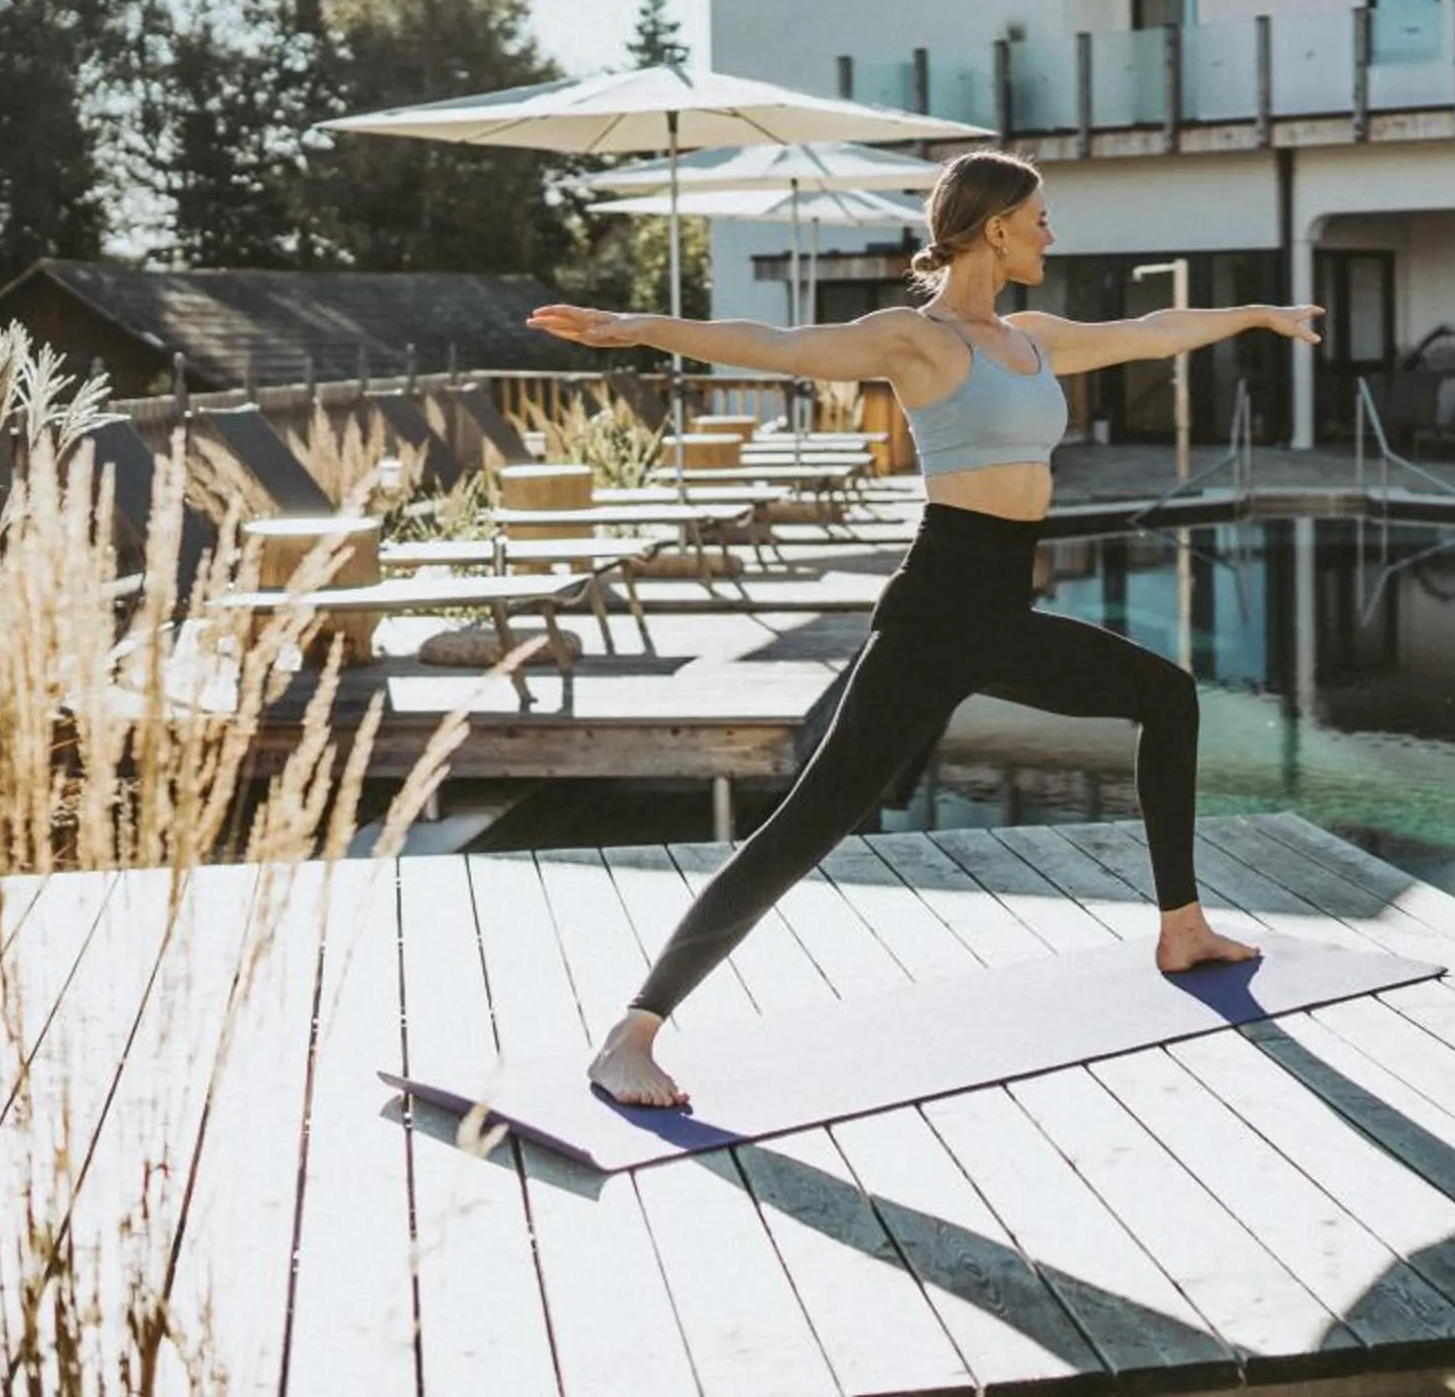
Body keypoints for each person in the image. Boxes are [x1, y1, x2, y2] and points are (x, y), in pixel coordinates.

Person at [530, 149, 1323, 1107]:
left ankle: (1181, 926)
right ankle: (632, 1033)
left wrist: (1260, 315)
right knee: (808, 824)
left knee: (1167, 694)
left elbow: (1154, 331)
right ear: (996, 227)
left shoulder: (1030, 338)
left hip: (999, 611)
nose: (1050, 233)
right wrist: (641, 328)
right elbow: (779, 345)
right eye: (1039, 218)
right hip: (938, 610)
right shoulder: (919, 339)